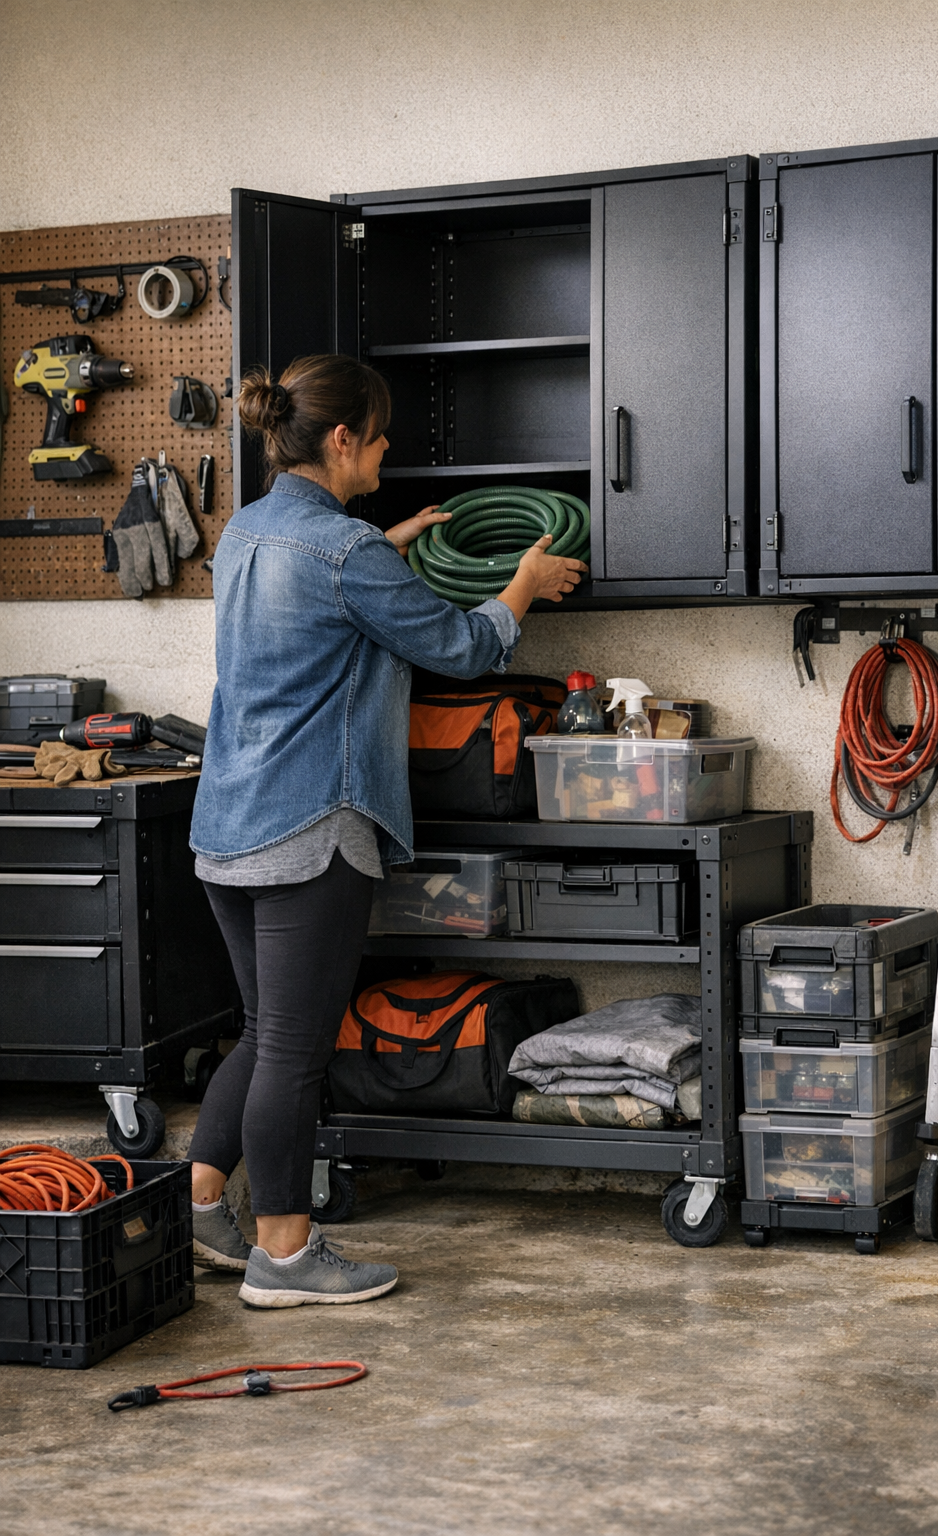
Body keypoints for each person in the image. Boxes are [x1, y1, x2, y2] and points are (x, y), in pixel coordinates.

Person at [186, 353, 586, 1307]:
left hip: (228, 820)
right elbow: (462, 645)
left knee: (262, 1029)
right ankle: (285, 1257)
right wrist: (524, 580)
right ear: (340, 440)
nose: (387, 450)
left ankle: (203, 1202)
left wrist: (389, 543)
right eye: (378, 436)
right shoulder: (345, 555)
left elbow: (316, 605)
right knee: (294, 1046)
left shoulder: (248, 531)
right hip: (310, 827)